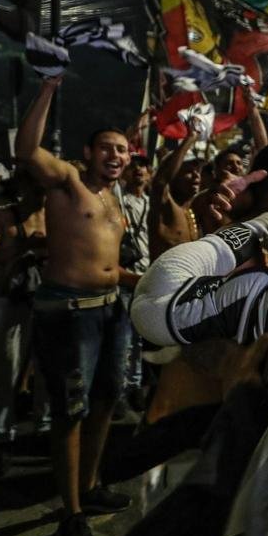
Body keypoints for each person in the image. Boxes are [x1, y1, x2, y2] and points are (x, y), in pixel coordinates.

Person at [14, 74, 134, 536]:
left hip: (111, 311)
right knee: (70, 414)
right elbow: (26, 151)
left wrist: (142, 279)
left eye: (123, 150)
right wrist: (45, 91)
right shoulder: (68, 181)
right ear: (87, 152)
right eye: (106, 147)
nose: (115, 156)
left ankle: (91, 483)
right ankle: (71, 514)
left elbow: (107, 262)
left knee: (106, 401)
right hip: (69, 313)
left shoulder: (113, 198)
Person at [0, 171, 51, 477]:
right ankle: (1, 438)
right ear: (22, 186)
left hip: (50, 300)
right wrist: (22, 249)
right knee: (6, 371)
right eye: (36, 185)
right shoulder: (2, 217)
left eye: (46, 185)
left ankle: (43, 429)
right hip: (13, 301)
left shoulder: (58, 214)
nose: (42, 192)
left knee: (47, 370)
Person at [118, 155, 152, 411]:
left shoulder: (152, 204)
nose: (139, 171)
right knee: (123, 337)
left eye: (143, 167)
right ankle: (119, 391)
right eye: (133, 167)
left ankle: (135, 385)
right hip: (124, 276)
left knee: (139, 337)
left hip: (146, 275)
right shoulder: (119, 201)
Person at [147, 130, 204, 260]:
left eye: (198, 171)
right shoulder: (164, 206)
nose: (196, 175)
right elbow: (161, 181)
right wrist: (190, 137)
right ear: (173, 175)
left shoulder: (193, 209)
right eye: (188, 171)